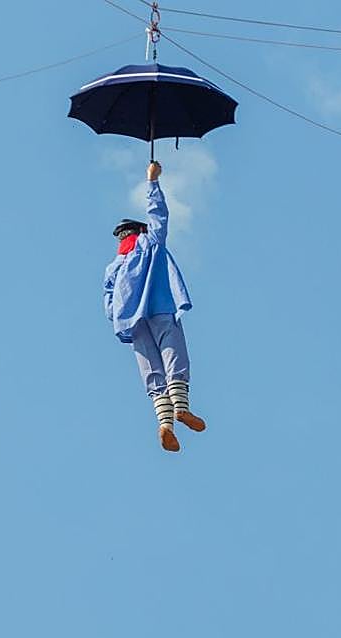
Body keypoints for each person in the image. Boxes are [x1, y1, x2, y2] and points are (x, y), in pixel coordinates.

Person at [104, 161, 205, 452]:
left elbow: (108, 304)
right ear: (140, 231)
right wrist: (152, 181)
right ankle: (181, 407)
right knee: (174, 355)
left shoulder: (114, 267)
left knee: (151, 371)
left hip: (130, 322)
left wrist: (121, 317)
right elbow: (159, 215)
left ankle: (165, 424)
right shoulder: (149, 244)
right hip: (159, 307)